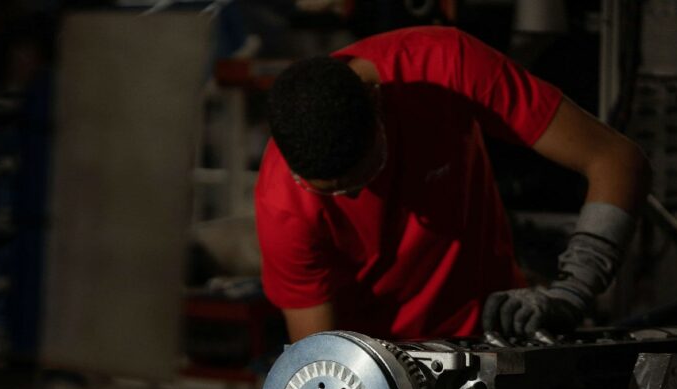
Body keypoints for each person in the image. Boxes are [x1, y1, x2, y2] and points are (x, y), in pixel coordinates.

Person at [255, 26, 650, 342]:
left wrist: (572, 291)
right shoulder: (282, 202)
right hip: (380, 369)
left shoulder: (444, 66)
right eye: (332, 192)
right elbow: (321, 358)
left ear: (377, 105)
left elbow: (616, 160)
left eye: (366, 175)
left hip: (495, 335)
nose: (354, 197)